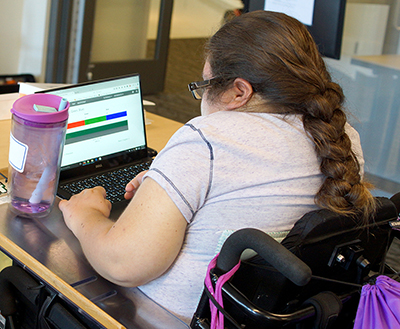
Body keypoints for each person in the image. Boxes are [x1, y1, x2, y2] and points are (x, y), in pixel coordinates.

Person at [59, 10, 376, 324]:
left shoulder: (207, 139)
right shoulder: (342, 138)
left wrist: (83, 215)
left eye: (203, 84)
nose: (200, 97)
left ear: (239, 91)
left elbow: (122, 264)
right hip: (276, 315)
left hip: (164, 318)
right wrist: (171, 181)